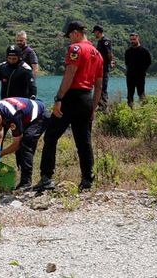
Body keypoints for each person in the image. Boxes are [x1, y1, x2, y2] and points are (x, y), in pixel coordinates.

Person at [34, 21, 104, 192]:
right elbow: (99, 85)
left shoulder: (76, 49)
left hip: (72, 96)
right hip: (87, 98)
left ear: (75, 33)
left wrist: (59, 98)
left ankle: (46, 178)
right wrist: (93, 108)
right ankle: (87, 180)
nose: (69, 41)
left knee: (51, 136)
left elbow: (70, 73)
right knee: (84, 141)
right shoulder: (98, 54)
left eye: (69, 36)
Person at [0, 97, 50, 191]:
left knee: (25, 143)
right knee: (20, 149)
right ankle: (22, 176)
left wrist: (1, 154)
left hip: (40, 116)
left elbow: (17, 144)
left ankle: (26, 182)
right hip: (25, 114)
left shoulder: (13, 116)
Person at [124, 32, 151, 108]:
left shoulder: (144, 51)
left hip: (140, 76)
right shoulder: (128, 51)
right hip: (130, 76)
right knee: (130, 95)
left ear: (138, 38)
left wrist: (143, 70)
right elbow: (126, 63)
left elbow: (149, 62)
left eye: (134, 39)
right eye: (131, 39)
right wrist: (127, 71)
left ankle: (144, 110)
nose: (132, 41)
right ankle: (130, 111)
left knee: (141, 94)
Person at [92, 25, 113, 111]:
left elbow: (109, 54)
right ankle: (100, 105)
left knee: (103, 86)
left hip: (104, 66)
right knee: (98, 86)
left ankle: (104, 106)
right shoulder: (100, 41)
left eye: (95, 32)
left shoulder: (105, 41)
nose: (94, 34)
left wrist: (110, 62)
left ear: (98, 31)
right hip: (99, 67)